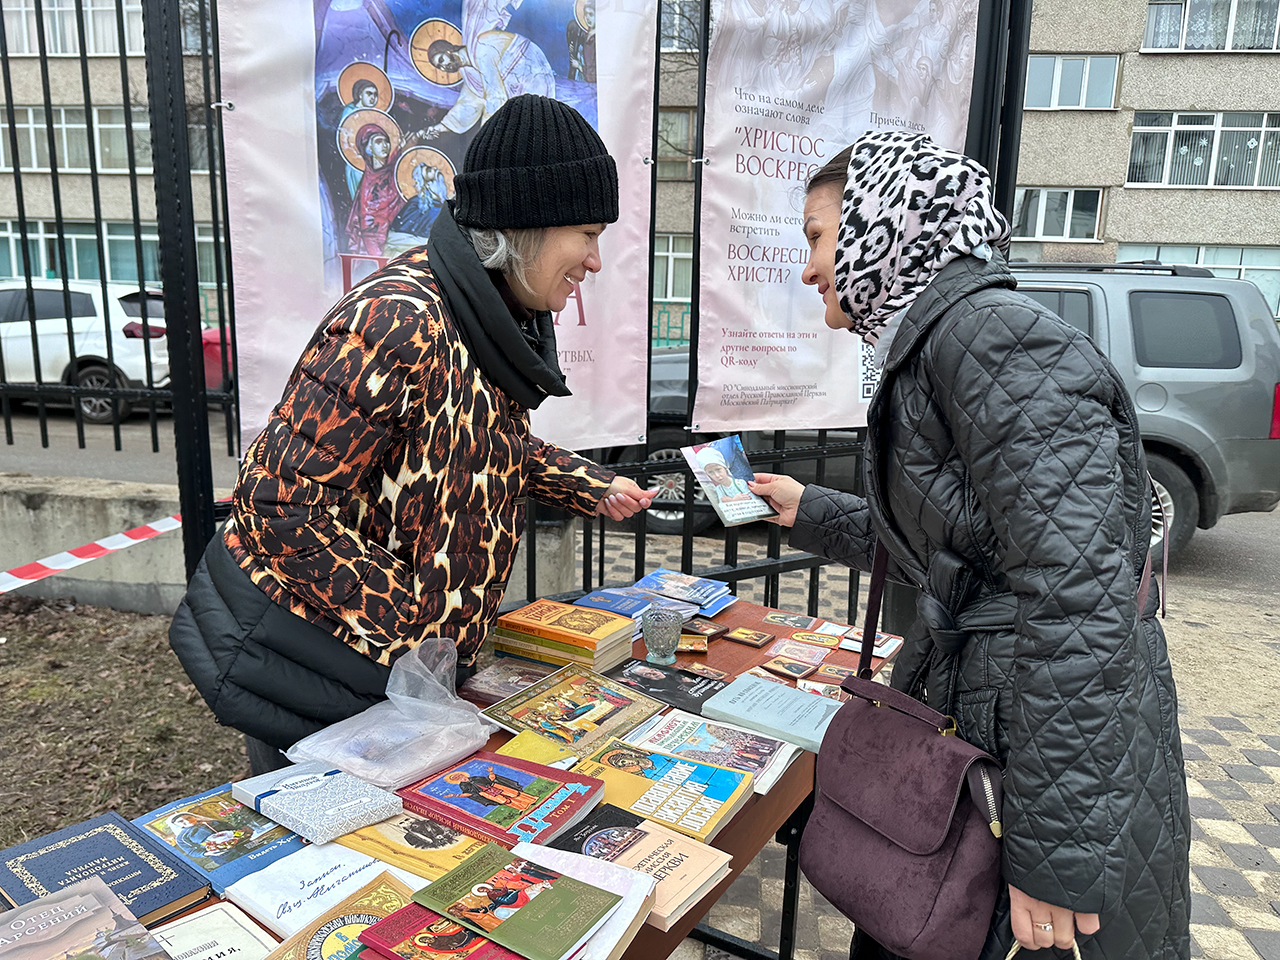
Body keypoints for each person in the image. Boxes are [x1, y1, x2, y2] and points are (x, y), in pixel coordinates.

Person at [749, 131, 1189, 959]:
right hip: (999, 728)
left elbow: (1079, 598)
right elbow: (965, 553)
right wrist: (810, 511)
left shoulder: (992, 337)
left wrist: (1052, 857)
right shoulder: (943, 341)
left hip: (1034, 759)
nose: (809, 270)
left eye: (816, 236)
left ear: (882, 221)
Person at [169, 94, 657, 773]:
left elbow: (474, 443)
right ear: (528, 225)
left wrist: (588, 484)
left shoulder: (481, 316)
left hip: (398, 677)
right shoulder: (399, 319)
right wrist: (415, 624)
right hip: (326, 670)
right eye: (587, 233)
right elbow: (278, 504)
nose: (595, 260)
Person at [421, 33, 555, 137]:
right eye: (439, 67)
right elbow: (467, 105)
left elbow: (496, 96)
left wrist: (485, 135)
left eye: (441, 60)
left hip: (531, 73)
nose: (444, 67)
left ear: (448, 51)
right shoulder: (469, 73)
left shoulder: (480, 48)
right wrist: (438, 128)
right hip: (517, 90)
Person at [345, 124, 408, 256]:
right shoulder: (368, 184)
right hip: (376, 241)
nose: (384, 146)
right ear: (369, 148)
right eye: (379, 142)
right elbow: (367, 224)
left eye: (386, 142)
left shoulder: (394, 171)